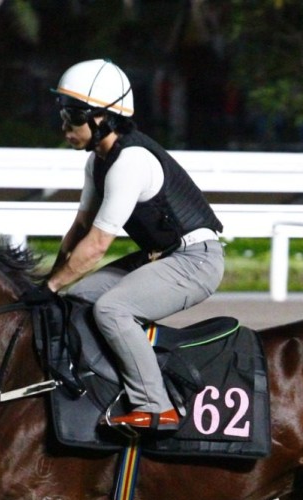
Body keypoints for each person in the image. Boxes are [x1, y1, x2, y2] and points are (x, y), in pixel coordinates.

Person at [42, 58, 224, 432]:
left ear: (103, 119)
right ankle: (112, 383)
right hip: (163, 257)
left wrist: (49, 287)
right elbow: (80, 228)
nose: (65, 126)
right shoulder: (98, 162)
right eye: (63, 113)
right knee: (78, 300)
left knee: (112, 310)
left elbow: (95, 247)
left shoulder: (131, 162)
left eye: (73, 115)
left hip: (197, 261)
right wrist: (52, 281)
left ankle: (157, 407)